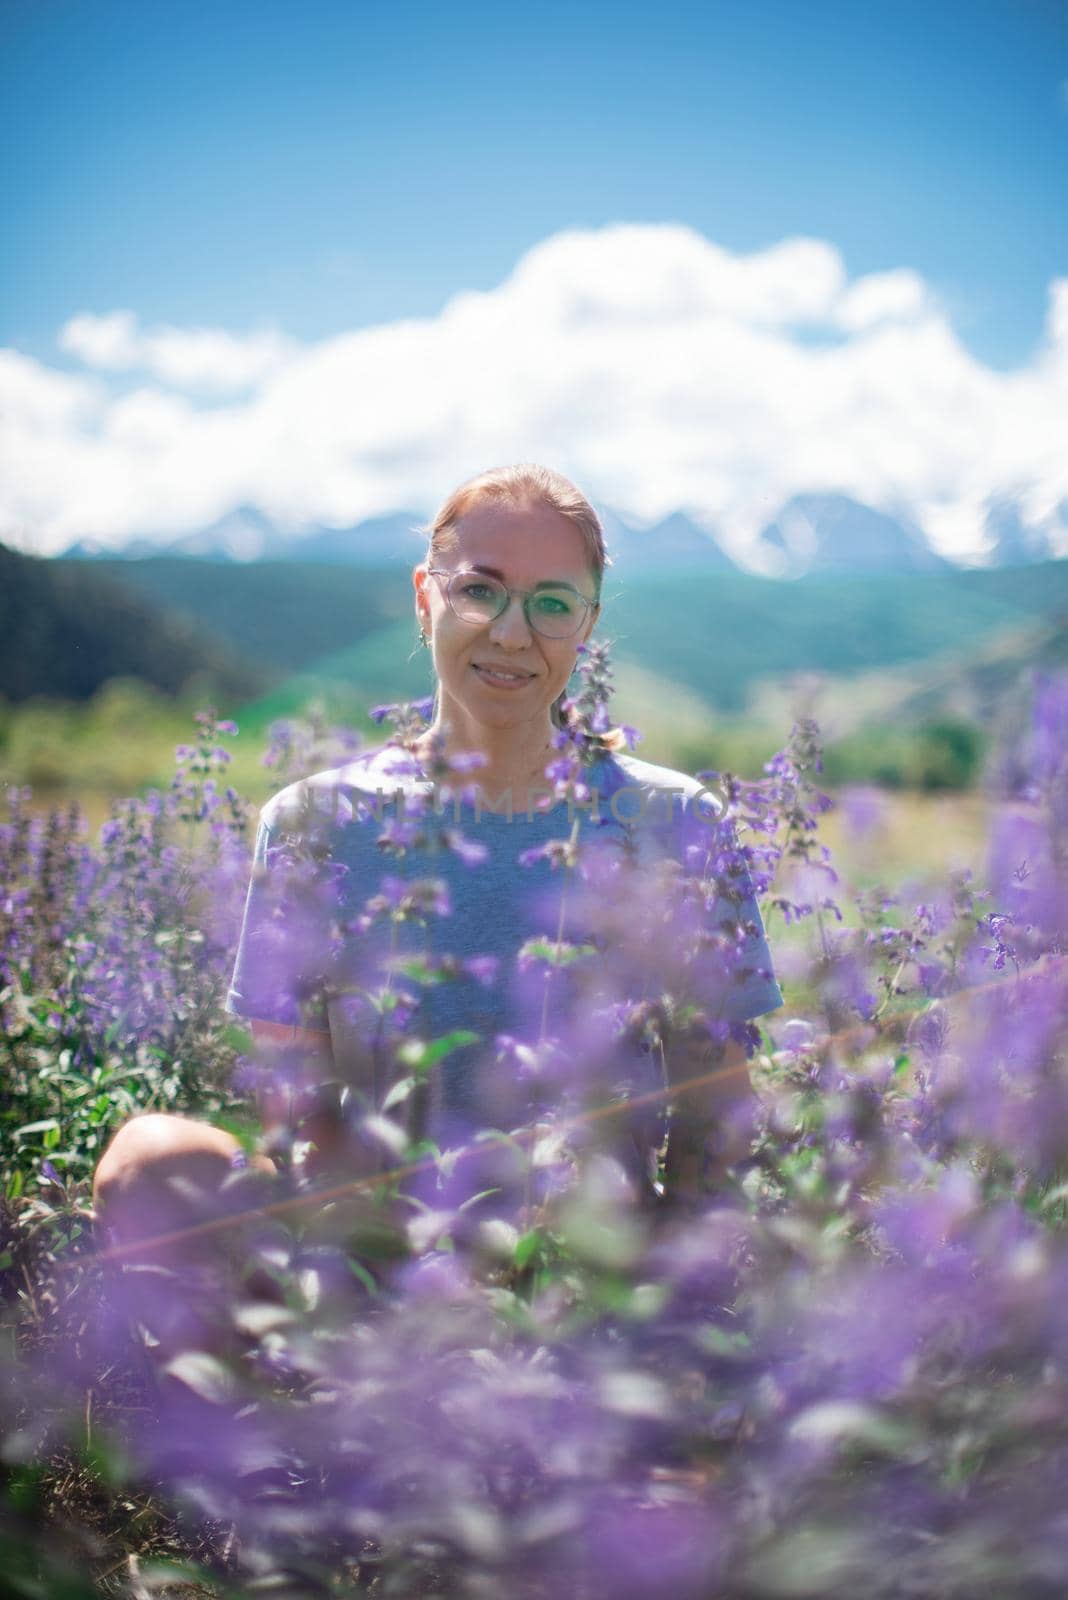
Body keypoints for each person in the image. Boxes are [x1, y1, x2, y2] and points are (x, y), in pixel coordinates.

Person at [93, 464, 782, 1300]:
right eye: (479, 591)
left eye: (553, 603)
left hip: (582, 1271)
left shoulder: (677, 822)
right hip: (373, 1256)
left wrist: (670, 1313)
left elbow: (716, 1120)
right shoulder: (314, 822)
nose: (512, 633)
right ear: (425, 597)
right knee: (151, 1157)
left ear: (588, 626)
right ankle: (240, 1411)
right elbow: (294, 1109)